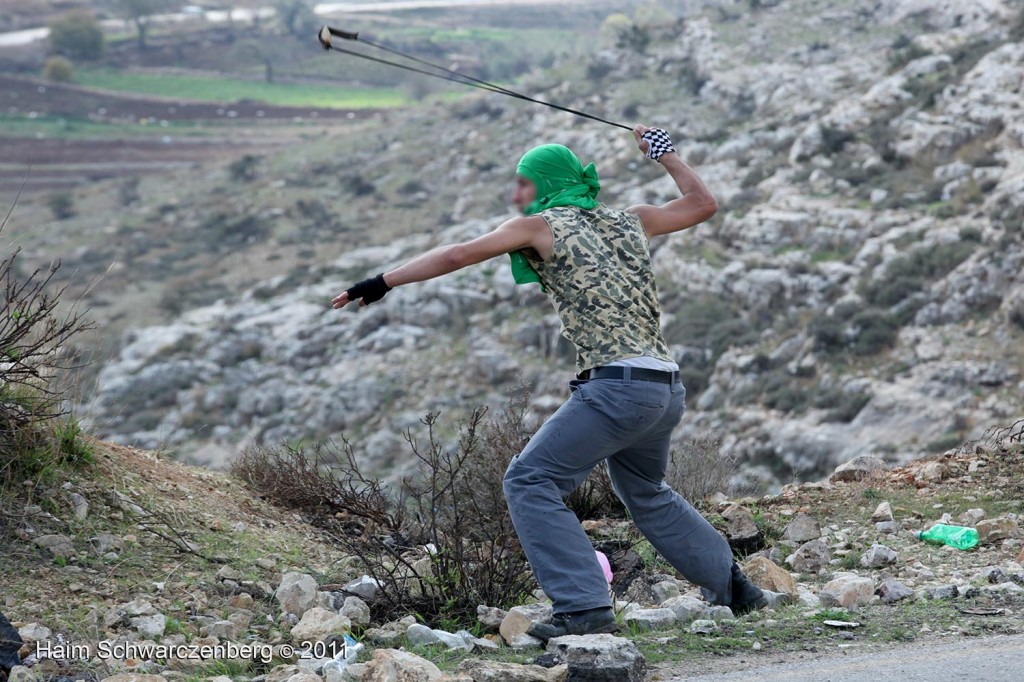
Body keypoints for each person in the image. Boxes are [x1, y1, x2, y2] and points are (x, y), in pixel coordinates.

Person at [331, 125, 791, 640]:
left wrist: (380, 282)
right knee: (645, 489)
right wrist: (665, 154)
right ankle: (735, 587)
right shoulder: (630, 220)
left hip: (617, 388)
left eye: (524, 183)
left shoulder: (539, 226)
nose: (516, 194)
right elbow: (702, 203)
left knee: (529, 481)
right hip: (665, 389)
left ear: (546, 182)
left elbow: (459, 254)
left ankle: (583, 607)